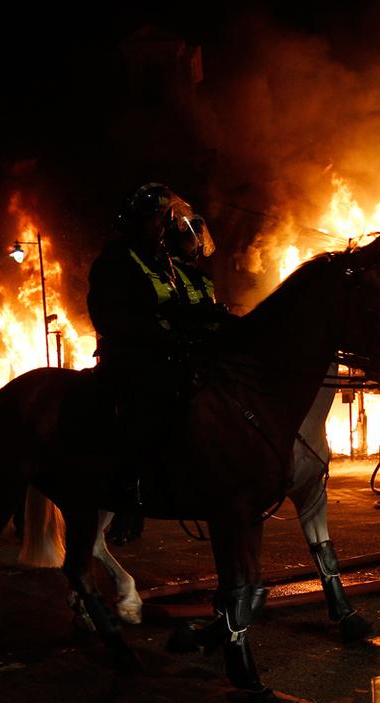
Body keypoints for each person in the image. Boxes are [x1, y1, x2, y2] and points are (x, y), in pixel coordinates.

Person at [86, 183, 233, 506]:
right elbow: (109, 317)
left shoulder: (163, 261)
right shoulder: (115, 261)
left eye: (164, 218)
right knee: (152, 399)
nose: (162, 225)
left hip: (169, 351)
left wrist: (214, 318)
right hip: (132, 355)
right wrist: (160, 335)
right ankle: (126, 488)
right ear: (135, 221)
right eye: (155, 218)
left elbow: (177, 308)